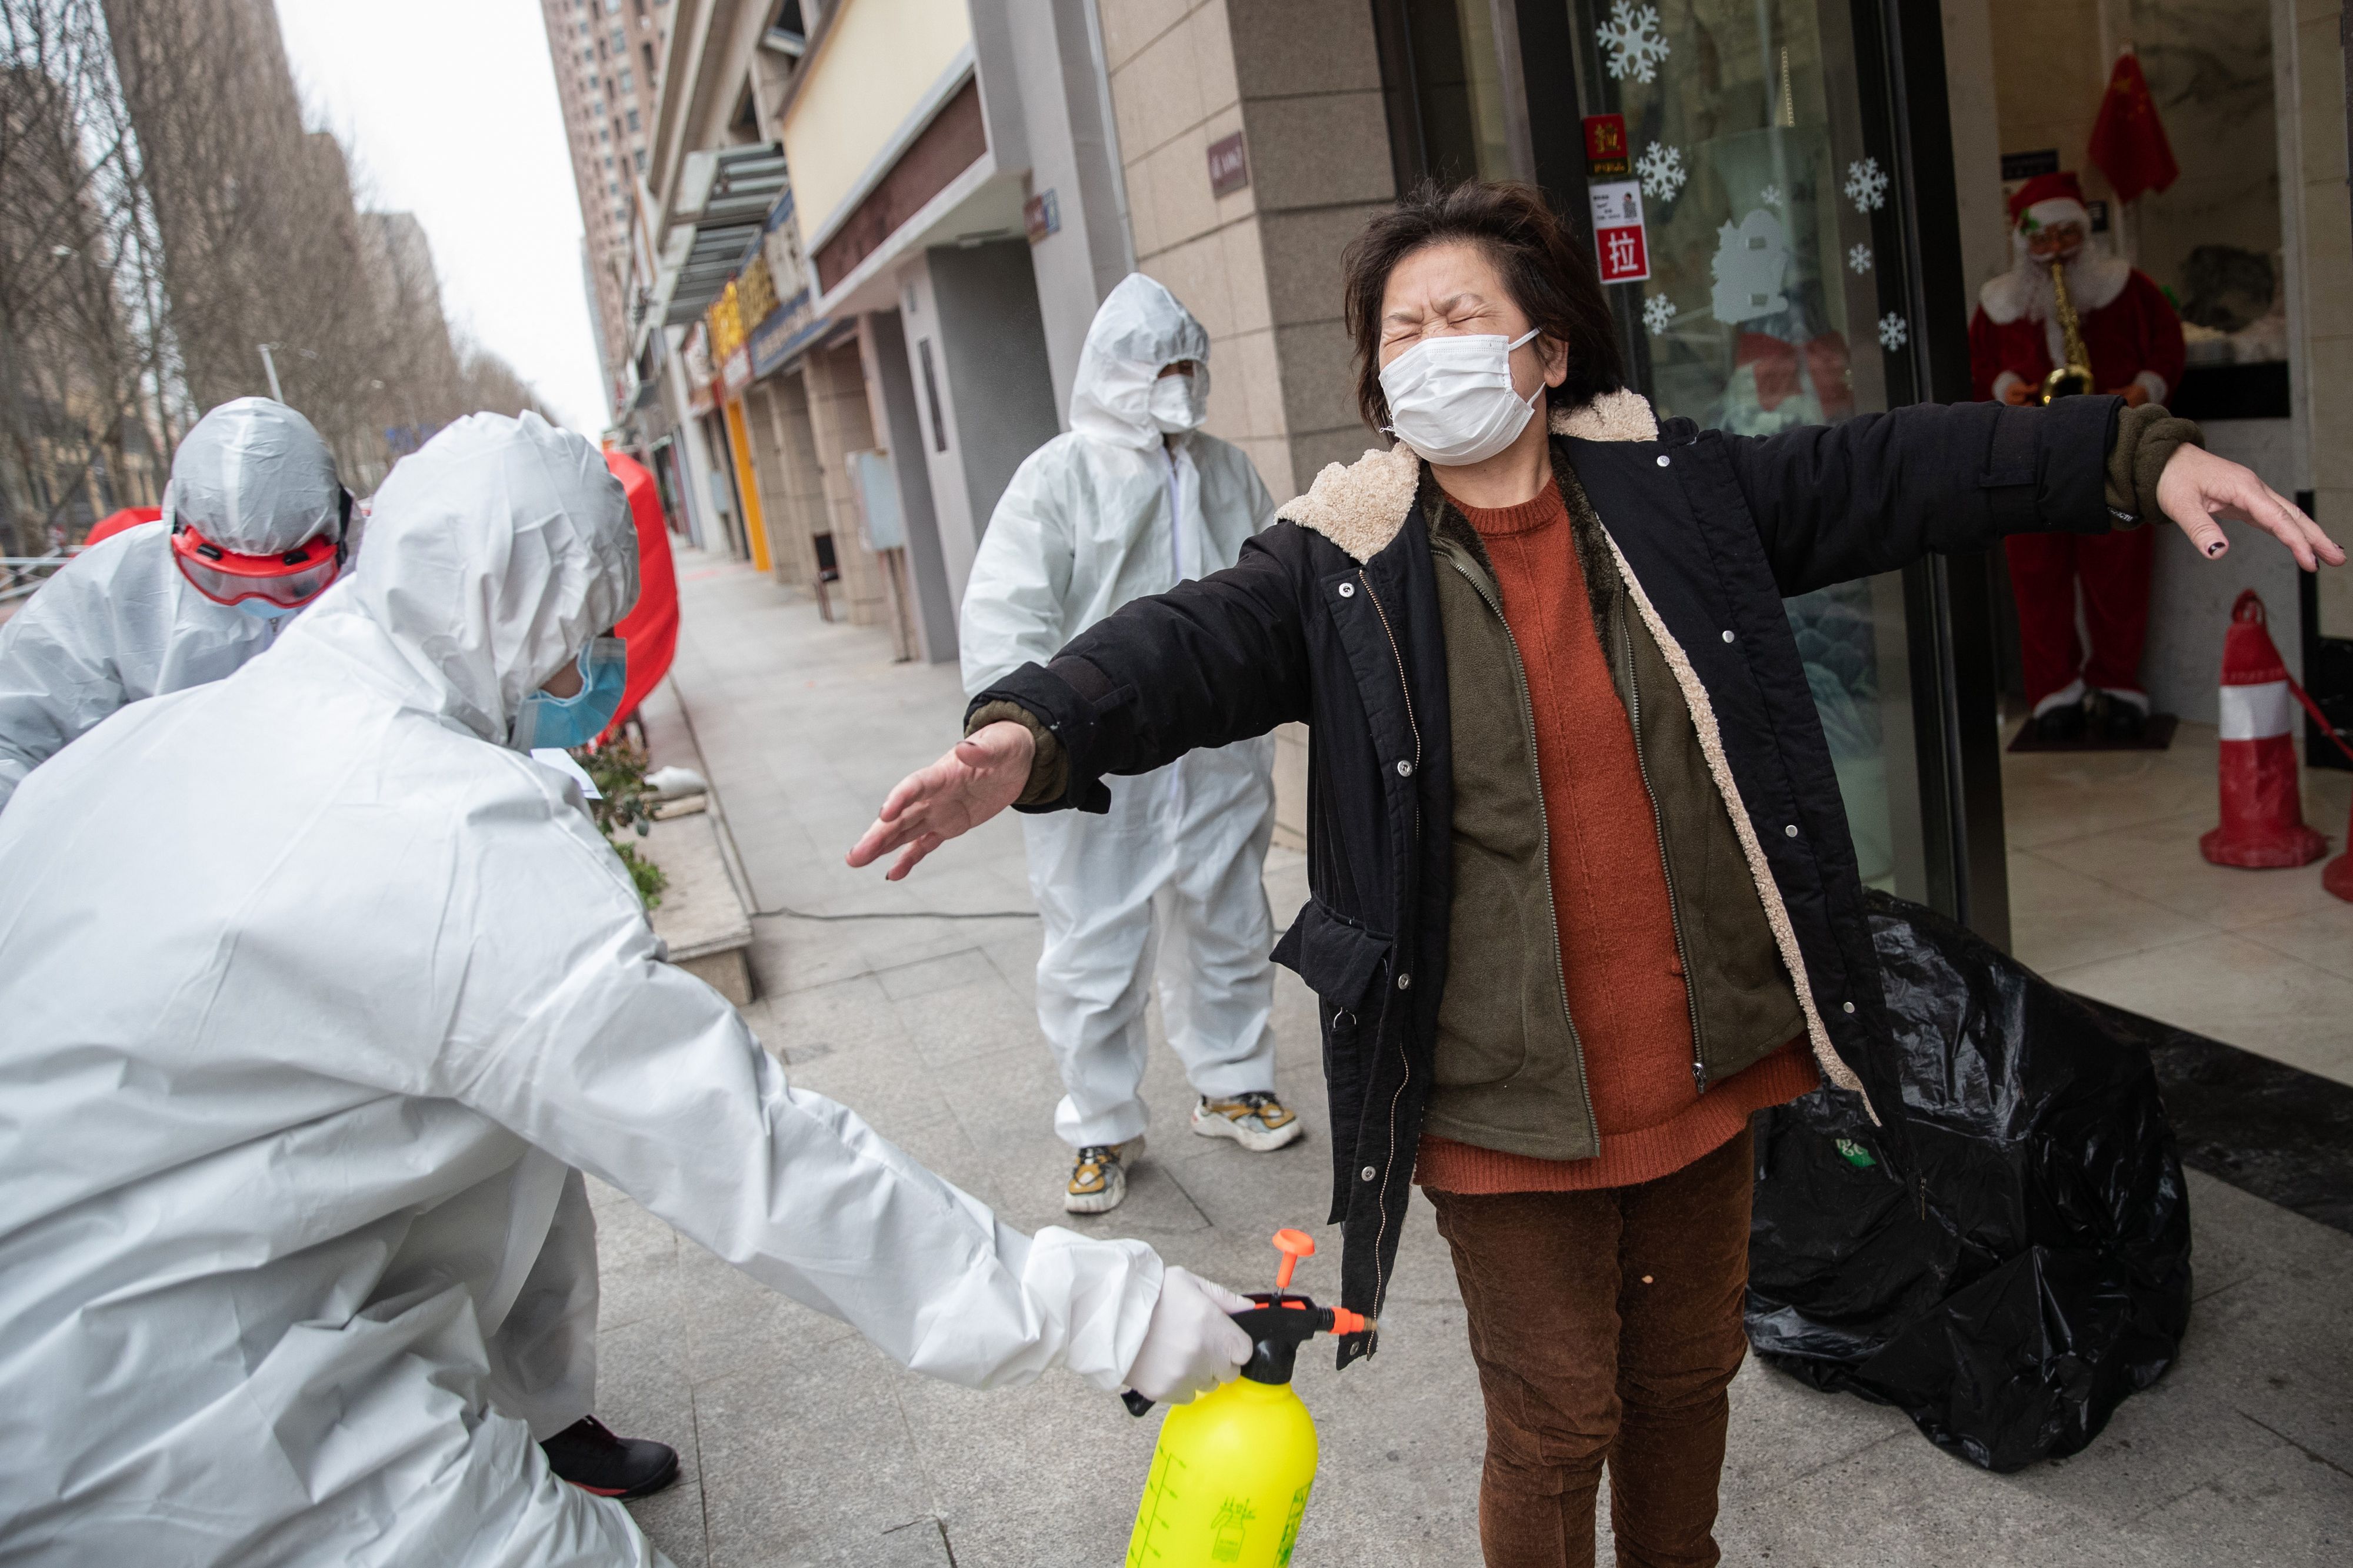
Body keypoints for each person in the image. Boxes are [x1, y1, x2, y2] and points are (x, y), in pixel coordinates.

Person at [851, 182, 2339, 1567]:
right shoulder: (1340, 563)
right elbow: (1176, 649)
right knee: (1559, 1418)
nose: (1427, 350)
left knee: (1691, 1376)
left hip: (1699, 1066)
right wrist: (1030, 729)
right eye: (1399, 333)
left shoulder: (1674, 498)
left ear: (1545, 349)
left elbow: (1897, 469)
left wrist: (2131, 450)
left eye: (1458, 318)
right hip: (1499, 1094)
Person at [0, 413, 1253, 1566]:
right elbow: (748, 1154)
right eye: (593, 624)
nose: (600, 664)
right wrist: (1108, 1307)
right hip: (182, 1411)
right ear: (528, 612)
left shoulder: (143, 748)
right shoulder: (444, 838)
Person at [0, 396, 670, 1498]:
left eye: (296, 568)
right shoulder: (101, 608)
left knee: (522, 1166)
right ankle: (381, 1450)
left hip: (393, 921)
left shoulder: (403, 578)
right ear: (174, 532)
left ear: (345, 529)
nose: (264, 594)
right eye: (225, 571)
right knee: (301, 1232)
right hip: (199, 970)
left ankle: (550, 1415)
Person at [960, 273, 1301, 1216]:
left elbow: (1274, 589)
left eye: (1191, 365)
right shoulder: (1060, 477)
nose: (1179, 383)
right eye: (1161, 368)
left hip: (1219, 756)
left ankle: (1232, 1078)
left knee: (1230, 921)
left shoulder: (1229, 468)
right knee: (1093, 947)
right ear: (1114, 372)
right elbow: (1006, 610)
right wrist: (1018, 733)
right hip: (1097, 760)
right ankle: (1101, 1124)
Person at [0, 396, 348, 813]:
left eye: (292, 581)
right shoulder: (113, 583)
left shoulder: (378, 572)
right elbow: (17, 731)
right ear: (179, 530)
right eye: (222, 579)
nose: (258, 602)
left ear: (341, 532)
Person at [1968, 170, 2188, 742]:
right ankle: (2053, 692)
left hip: (2113, 448)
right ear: (2023, 242)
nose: (2055, 253)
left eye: (2065, 237)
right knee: (2036, 577)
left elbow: (2167, 345)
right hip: (2026, 454)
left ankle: (2118, 686)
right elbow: (1977, 366)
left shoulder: (2127, 287)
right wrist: (2006, 388)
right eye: (2042, 241)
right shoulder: (1996, 304)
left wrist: (2144, 387)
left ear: (2082, 233)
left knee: (2119, 572)